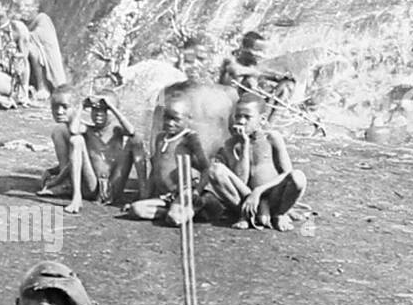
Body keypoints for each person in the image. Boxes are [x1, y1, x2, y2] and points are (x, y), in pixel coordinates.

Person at [208, 93, 307, 230]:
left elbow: (287, 174)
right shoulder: (231, 144)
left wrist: (259, 191)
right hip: (245, 199)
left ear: (262, 120)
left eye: (247, 117)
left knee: (298, 177)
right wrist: (244, 145)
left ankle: (279, 214)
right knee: (215, 170)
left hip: (273, 197)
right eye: (238, 116)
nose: (241, 121)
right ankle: (246, 214)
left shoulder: (272, 138)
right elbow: (240, 181)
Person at [41, 90, 141, 213]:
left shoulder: (116, 129)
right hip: (91, 185)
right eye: (95, 109)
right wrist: (82, 106)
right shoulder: (88, 129)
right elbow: (73, 130)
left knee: (136, 141)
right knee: (76, 140)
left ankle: (144, 193)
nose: (99, 114)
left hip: (114, 184)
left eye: (105, 110)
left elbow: (131, 131)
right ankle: (76, 197)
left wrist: (112, 107)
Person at [123, 91, 211, 223]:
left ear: (188, 118)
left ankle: (196, 207)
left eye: (176, 119)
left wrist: (197, 192)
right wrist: (145, 196)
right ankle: (174, 211)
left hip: (184, 192)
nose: (170, 123)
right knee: (136, 209)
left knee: (175, 218)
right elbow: (155, 169)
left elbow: (206, 169)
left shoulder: (189, 139)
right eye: (167, 117)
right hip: (166, 197)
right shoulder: (160, 138)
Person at [16, 0, 68, 99]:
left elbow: (42, 38)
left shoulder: (42, 18)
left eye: (28, 6)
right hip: (25, 64)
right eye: (22, 6)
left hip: (43, 62)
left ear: (36, 7)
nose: (25, 9)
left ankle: (42, 87)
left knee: (32, 49)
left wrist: (22, 35)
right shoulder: (20, 22)